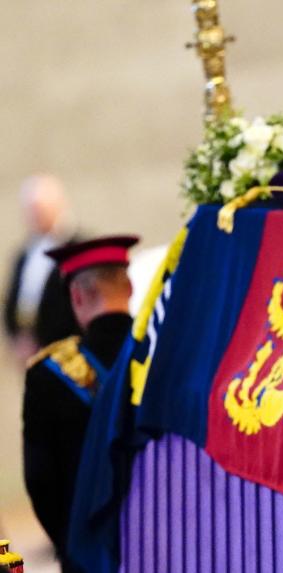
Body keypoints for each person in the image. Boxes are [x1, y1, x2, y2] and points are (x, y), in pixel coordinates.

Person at [22, 235, 138, 573]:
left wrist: (70, 545)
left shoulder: (48, 375)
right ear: (129, 287)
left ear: (76, 296)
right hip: (166, 545)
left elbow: (41, 481)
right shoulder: (163, 355)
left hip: (87, 554)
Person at [3, 174, 80, 366]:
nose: (36, 216)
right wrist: (18, 337)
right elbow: (12, 300)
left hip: (68, 352)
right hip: (31, 354)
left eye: (41, 210)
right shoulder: (24, 255)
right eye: (32, 211)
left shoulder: (77, 249)